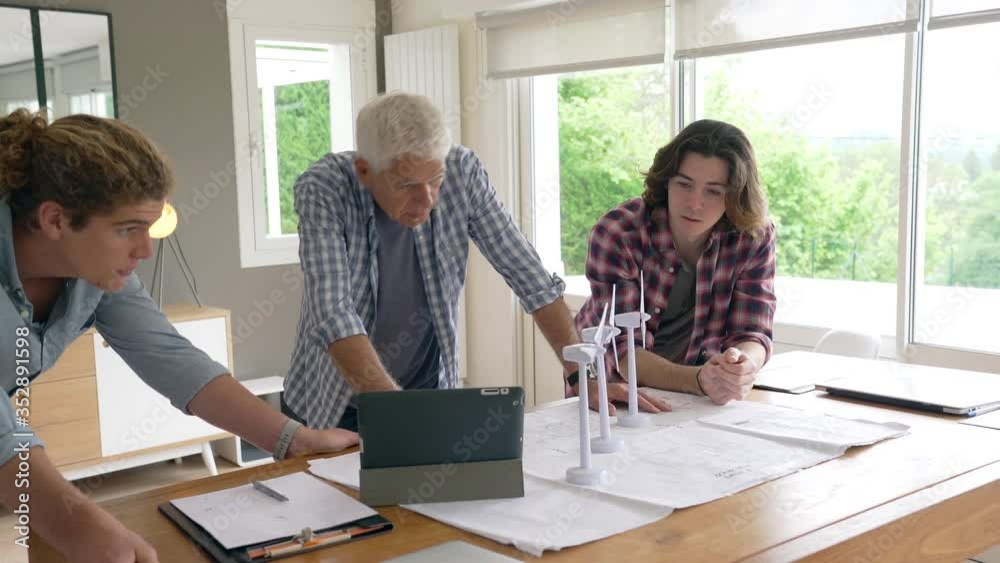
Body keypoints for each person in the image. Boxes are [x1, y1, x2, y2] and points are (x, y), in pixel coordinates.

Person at [0, 109, 358, 563]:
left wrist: (293, 438)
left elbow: (169, 357)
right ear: (54, 220)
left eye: (149, 227)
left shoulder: (93, 272)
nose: (146, 250)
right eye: (128, 229)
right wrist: (75, 522)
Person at [282, 92, 669, 430]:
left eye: (435, 180)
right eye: (406, 185)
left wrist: (585, 376)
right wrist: (396, 414)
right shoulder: (325, 188)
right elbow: (333, 312)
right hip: (333, 404)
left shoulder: (463, 171)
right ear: (365, 171)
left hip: (427, 395)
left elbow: (529, 276)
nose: (427, 200)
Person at [575, 119, 776, 406]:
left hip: (697, 393)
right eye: (684, 184)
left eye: (713, 191)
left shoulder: (754, 237)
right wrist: (698, 381)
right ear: (666, 181)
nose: (695, 203)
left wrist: (742, 366)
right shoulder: (618, 233)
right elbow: (623, 354)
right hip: (614, 392)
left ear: (734, 196)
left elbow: (754, 332)